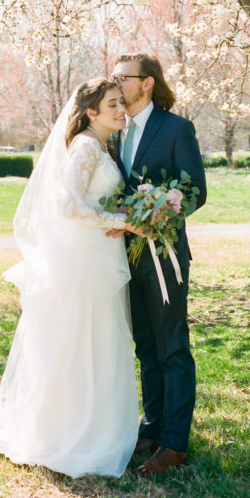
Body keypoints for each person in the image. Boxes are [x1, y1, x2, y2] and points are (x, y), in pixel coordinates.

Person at [0, 78, 144, 478]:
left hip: (95, 254)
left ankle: (93, 428)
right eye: (112, 105)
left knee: (96, 340)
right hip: (82, 259)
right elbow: (70, 206)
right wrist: (123, 222)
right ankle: (68, 435)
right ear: (91, 112)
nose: (120, 110)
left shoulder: (102, 145)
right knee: (79, 342)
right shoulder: (87, 146)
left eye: (120, 103)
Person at [108, 53, 207, 476]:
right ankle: (152, 427)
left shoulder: (177, 128)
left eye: (122, 78)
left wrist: (158, 212)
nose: (116, 85)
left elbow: (196, 189)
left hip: (164, 254)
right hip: (124, 255)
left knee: (171, 346)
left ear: (146, 83)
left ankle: (175, 443)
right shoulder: (114, 131)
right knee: (145, 344)